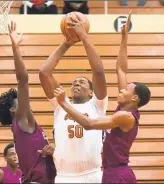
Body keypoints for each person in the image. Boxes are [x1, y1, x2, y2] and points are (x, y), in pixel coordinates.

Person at [53, 12, 151, 184]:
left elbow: (89, 124)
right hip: (111, 171)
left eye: (126, 89)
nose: (121, 90)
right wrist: (124, 38)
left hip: (118, 173)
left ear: (134, 98)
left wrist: (63, 103)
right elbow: (121, 69)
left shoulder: (125, 117)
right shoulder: (125, 108)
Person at [39, 14, 108, 183]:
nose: (76, 83)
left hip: (92, 174)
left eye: (82, 82)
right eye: (74, 82)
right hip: (64, 177)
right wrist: (66, 43)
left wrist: (83, 36)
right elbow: (44, 73)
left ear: (91, 92)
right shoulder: (61, 103)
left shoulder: (97, 105)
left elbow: (98, 71)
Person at [0, 21, 56, 183]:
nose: (27, 102)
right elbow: (22, 79)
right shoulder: (21, 121)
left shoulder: (24, 127)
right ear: (13, 110)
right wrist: (15, 47)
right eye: (20, 101)